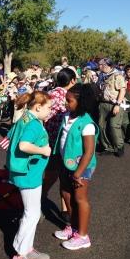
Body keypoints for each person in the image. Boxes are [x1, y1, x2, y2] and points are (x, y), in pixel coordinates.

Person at [6, 91, 52, 259]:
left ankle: (27, 248)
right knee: (31, 214)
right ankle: (19, 255)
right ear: (38, 107)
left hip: (27, 172)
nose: (50, 111)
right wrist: (43, 150)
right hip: (28, 174)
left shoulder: (25, 117)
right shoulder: (33, 124)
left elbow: (10, 135)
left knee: (32, 212)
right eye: (48, 108)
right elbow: (23, 145)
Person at [53, 83, 98, 251]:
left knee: (80, 198)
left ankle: (83, 236)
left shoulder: (86, 123)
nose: (65, 103)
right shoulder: (67, 116)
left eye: (69, 101)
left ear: (81, 102)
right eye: (65, 99)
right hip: (66, 163)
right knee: (65, 193)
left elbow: (89, 152)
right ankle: (73, 226)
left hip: (82, 167)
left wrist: (78, 173)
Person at [43, 68, 77, 222]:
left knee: (57, 174)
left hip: (48, 138)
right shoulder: (70, 97)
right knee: (57, 174)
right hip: (61, 141)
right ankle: (41, 198)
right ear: (72, 81)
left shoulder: (50, 93)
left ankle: (64, 208)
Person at [97, 58, 126, 157]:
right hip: (103, 103)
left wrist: (117, 105)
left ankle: (119, 146)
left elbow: (122, 90)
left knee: (114, 126)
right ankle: (108, 146)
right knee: (102, 126)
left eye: (102, 65)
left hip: (115, 104)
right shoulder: (101, 75)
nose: (99, 66)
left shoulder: (117, 75)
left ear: (108, 66)